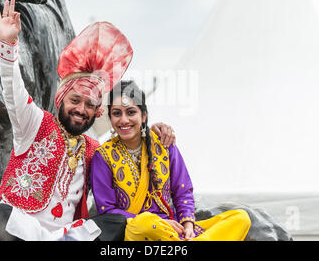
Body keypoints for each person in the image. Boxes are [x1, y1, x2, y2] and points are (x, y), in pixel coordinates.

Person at [0, 0, 176, 241]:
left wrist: (149, 133)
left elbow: (128, 152)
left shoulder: (95, 151)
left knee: (115, 221)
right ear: (61, 99)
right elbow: (12, 90)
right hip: (19, 228)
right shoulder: (34, 123)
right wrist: (8, 44)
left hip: (64, 236)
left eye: (90, 104)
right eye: (75, 100)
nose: (81, 109)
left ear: (97, 111)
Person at [91, 80, 251, 241]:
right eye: (117, 113)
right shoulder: (103, 156)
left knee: (241, 217)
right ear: (110, 118)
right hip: (137, 231)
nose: (124, 120)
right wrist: (156, 221)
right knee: (145, 223)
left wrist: (188, 224)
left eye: (131, 112)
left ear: (144, 116)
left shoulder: (164, 144)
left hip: (173, 230)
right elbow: (107, 210)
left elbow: (183, 191)